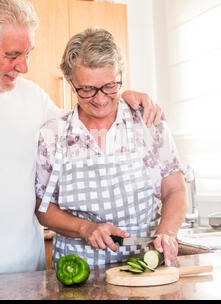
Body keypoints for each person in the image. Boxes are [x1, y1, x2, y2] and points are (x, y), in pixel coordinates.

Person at [0, 0, 164, 298]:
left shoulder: (33, 97)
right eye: (13, 55)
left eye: (28, 53)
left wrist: (120, 97)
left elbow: (82, 119)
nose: (24, 66)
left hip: (31, 281)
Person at [35, 27, 187, 268]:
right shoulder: (53, 134)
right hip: (76, 271)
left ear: (121, 76)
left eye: (109, 86)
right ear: (70, 82)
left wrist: (166, 233)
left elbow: (175, 189)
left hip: (146, 264)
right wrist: (85, 228)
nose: (100, 99)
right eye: (86, 89)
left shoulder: (147, 122)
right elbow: (43, 209)